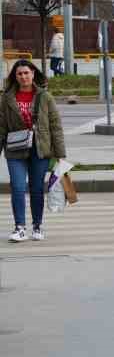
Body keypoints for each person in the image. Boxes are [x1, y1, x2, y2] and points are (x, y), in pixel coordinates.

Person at [4, 59, 66, 243]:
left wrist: (60, 154)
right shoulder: (6, 98)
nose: (23, 77)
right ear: (15, 77)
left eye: (26, 73)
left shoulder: (45, 97)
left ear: (33, 74)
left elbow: (55, 126)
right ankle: (20, 228)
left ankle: (37, 226)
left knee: (37, 189)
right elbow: (1, 125)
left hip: (39, 149)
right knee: (17, 187)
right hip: (15, 149)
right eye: (19, 74)